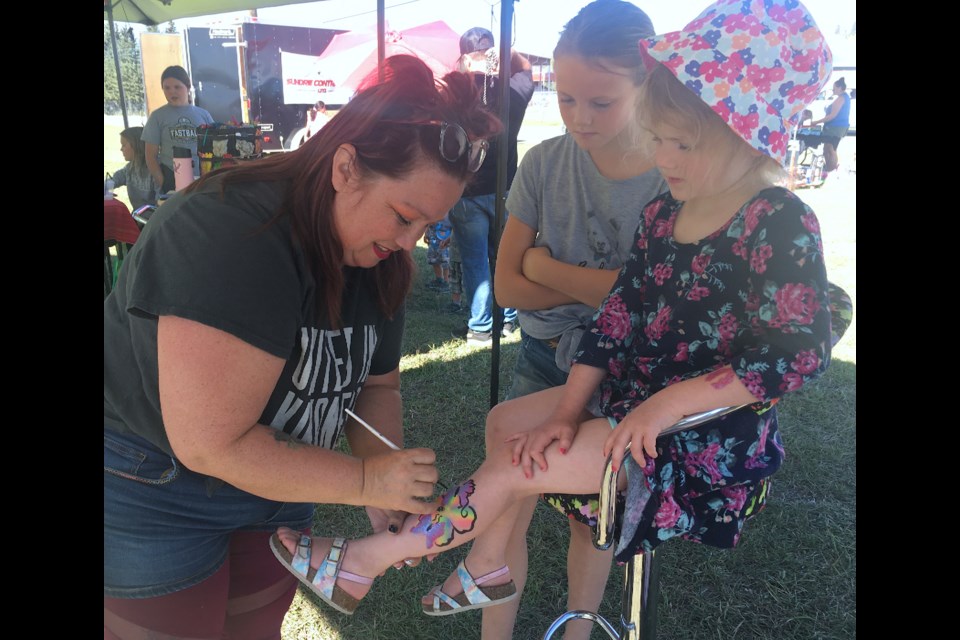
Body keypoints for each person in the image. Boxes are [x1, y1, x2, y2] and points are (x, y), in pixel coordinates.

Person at [269, 0, 834, 627]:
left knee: (518, 465)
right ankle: (485, 562)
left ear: (743, 132)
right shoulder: (664, 215)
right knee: (512, 421)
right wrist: (567, 412)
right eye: (658, 138)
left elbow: (797, 353)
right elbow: (616, 319)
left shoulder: (778, 219)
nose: (662, 156)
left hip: (702, 438)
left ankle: (370, 560)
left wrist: (665, 405)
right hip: (631, 405)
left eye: (679, 143)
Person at [104, 55, 502, 640]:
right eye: (403, 216)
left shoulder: (377, 257)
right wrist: (366, 481)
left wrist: (379, 474)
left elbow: (377, 385)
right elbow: (210, 443)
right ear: (346, 167)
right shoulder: (229, 231)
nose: (409, 241)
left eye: (425, 226)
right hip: (154, 489)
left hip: (282, 484)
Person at [491, 1, 668, 636]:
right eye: (566, 99)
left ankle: (580, 629)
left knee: (590, 514)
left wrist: (547, 267)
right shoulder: (542, 161)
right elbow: (507, 283)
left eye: (600, 102)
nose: (579, 119)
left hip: (622, 373)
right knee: (504, 502)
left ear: (645, 86)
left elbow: (649, 307)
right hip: (541, 357)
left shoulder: (672, 176)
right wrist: (608, 289)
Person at [448, 27, 535, 346]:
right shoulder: (510, 90)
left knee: (475, 262)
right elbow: (526, 70)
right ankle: (509, 320)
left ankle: (481, 327)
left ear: (465, 58)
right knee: (506, 257)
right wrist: (506, 54)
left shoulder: (454, 92)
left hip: (467, 192)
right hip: (505, 190)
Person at [142, 65, 215, 194]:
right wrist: (163, 182)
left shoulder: (203, 114)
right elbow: (150, 156)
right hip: (172, 176)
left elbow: (215, 148)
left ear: (187, 87)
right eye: (167, 88)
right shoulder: (157, 116)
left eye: (177, 87)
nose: (172, 92)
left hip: (203, 175)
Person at [107, 126, 158, 210]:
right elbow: (114, 179)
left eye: (124, 145)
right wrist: (106, 189)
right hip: (138, 217)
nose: (121, 149)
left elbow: (161, 202)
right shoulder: (129, 168)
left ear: (136, 145)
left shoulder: (156, 169)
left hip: (154, 219)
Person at [811, 77, 850, 175]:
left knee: (830, 148)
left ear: (840, 88)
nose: (833, 90)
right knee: (828, 149)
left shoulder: (841, 98)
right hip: (836, 127)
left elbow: (832, 116)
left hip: (835, 127)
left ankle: (831, 169)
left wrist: (816, 122)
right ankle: (829, 167)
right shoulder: (844, 97)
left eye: (834, 88)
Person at [423, 218, 452, 292]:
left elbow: (455, 226)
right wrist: (426, 233)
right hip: (433, 238)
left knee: (446, 262)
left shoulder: (452, 210)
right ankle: (439, 279)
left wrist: (449, 238)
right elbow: (429, 221)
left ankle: (446, 282)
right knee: (433, 260)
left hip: (446, 241)